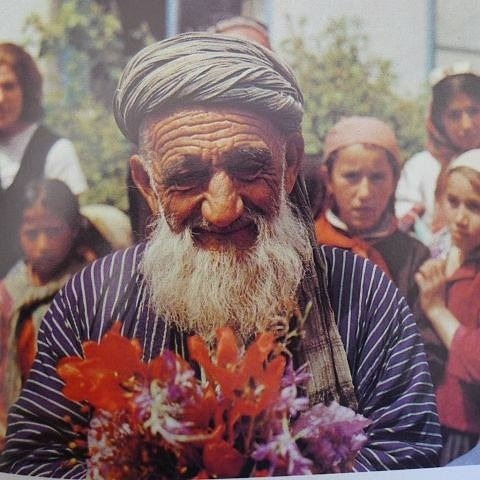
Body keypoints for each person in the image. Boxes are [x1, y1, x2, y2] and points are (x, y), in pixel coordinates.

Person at [0, 33, 441, 476]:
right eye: (186, 176)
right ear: (147, 185)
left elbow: (408, 452)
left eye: (248, 168)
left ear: (289, 165)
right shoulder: (93, 298)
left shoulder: (362, 293)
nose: (223, 208)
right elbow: (34, 458)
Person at [0, 179, 87, 443]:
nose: (42, 245)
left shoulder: (88, 286)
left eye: (53, 231)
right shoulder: (7, 294)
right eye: (31, 233)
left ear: (73, 230)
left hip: (75, 430)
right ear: (18, 232)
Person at [314, 116, 431, 308]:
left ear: (395, 180)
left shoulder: (414, 256)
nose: (365, 193)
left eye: (377, 177)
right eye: (351, 176)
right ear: (328, 179)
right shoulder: (303, 251)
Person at [0, 43, 88, 276]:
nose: (0, 98)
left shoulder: (56, 150)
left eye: (8, 87)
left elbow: (71, 234)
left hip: (39, 290)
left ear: (26, 90)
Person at [416, 149, 480, 465]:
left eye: (474, 207)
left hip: (466, 427)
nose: (460, 218)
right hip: (430, 415)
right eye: (452, 202)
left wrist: (437, 310)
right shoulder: (439, 255)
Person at [395, 63, 480, 246]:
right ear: (439, 119)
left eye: (474, 111)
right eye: (454, 115)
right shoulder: (420, 167)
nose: (467, 125)